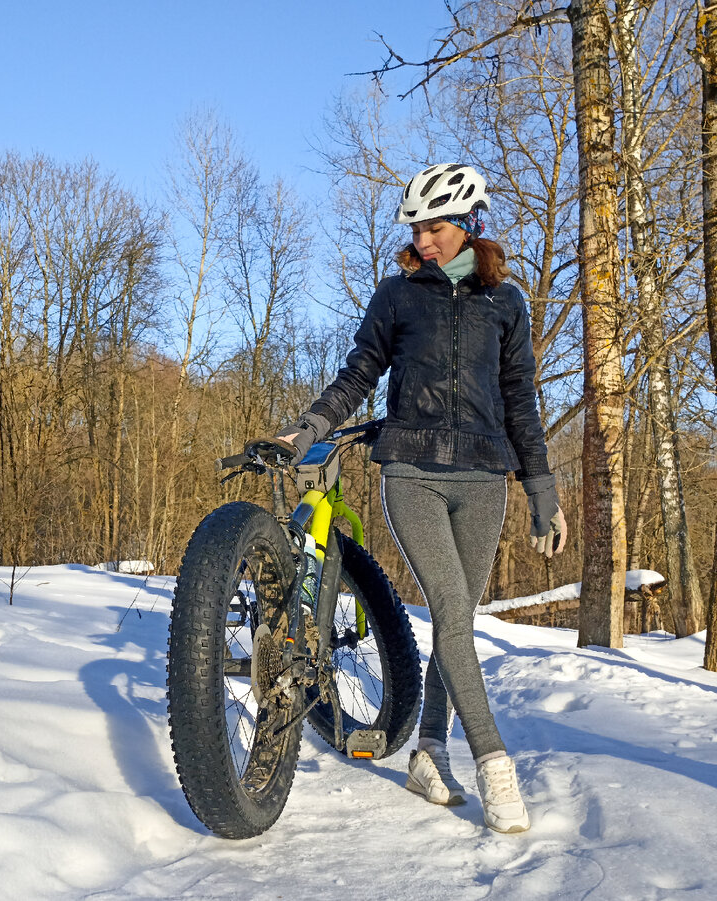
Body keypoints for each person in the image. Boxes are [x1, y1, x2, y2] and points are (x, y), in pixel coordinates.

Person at [274, 163, 566, 834]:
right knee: (450, 608)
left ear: (468, 226)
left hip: (484, 477)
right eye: (416, 228)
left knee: (456, 618)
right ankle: (494, 761)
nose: (422, 239)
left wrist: (542, 492)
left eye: (433, 227)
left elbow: (521, 401)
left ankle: (428, 752)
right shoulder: (396, 296)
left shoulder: (507, 304)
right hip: (411, 471)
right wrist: (311, 426)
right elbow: (357, 375)